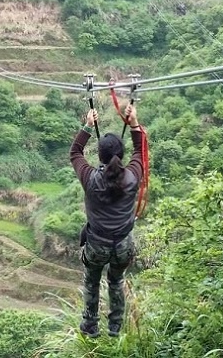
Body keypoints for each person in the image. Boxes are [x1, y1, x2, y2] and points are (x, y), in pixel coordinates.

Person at [70, 103, 142, 338]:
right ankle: (115, 327)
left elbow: (75, 153)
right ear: (121, 156)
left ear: (99, 156)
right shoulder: (132, 176)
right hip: (122, 244)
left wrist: (87, 126)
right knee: (116, 280)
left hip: (96, 244)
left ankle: (90, 327)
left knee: (91, 281)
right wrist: (134, 124)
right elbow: (141, 151)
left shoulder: (90, 179)